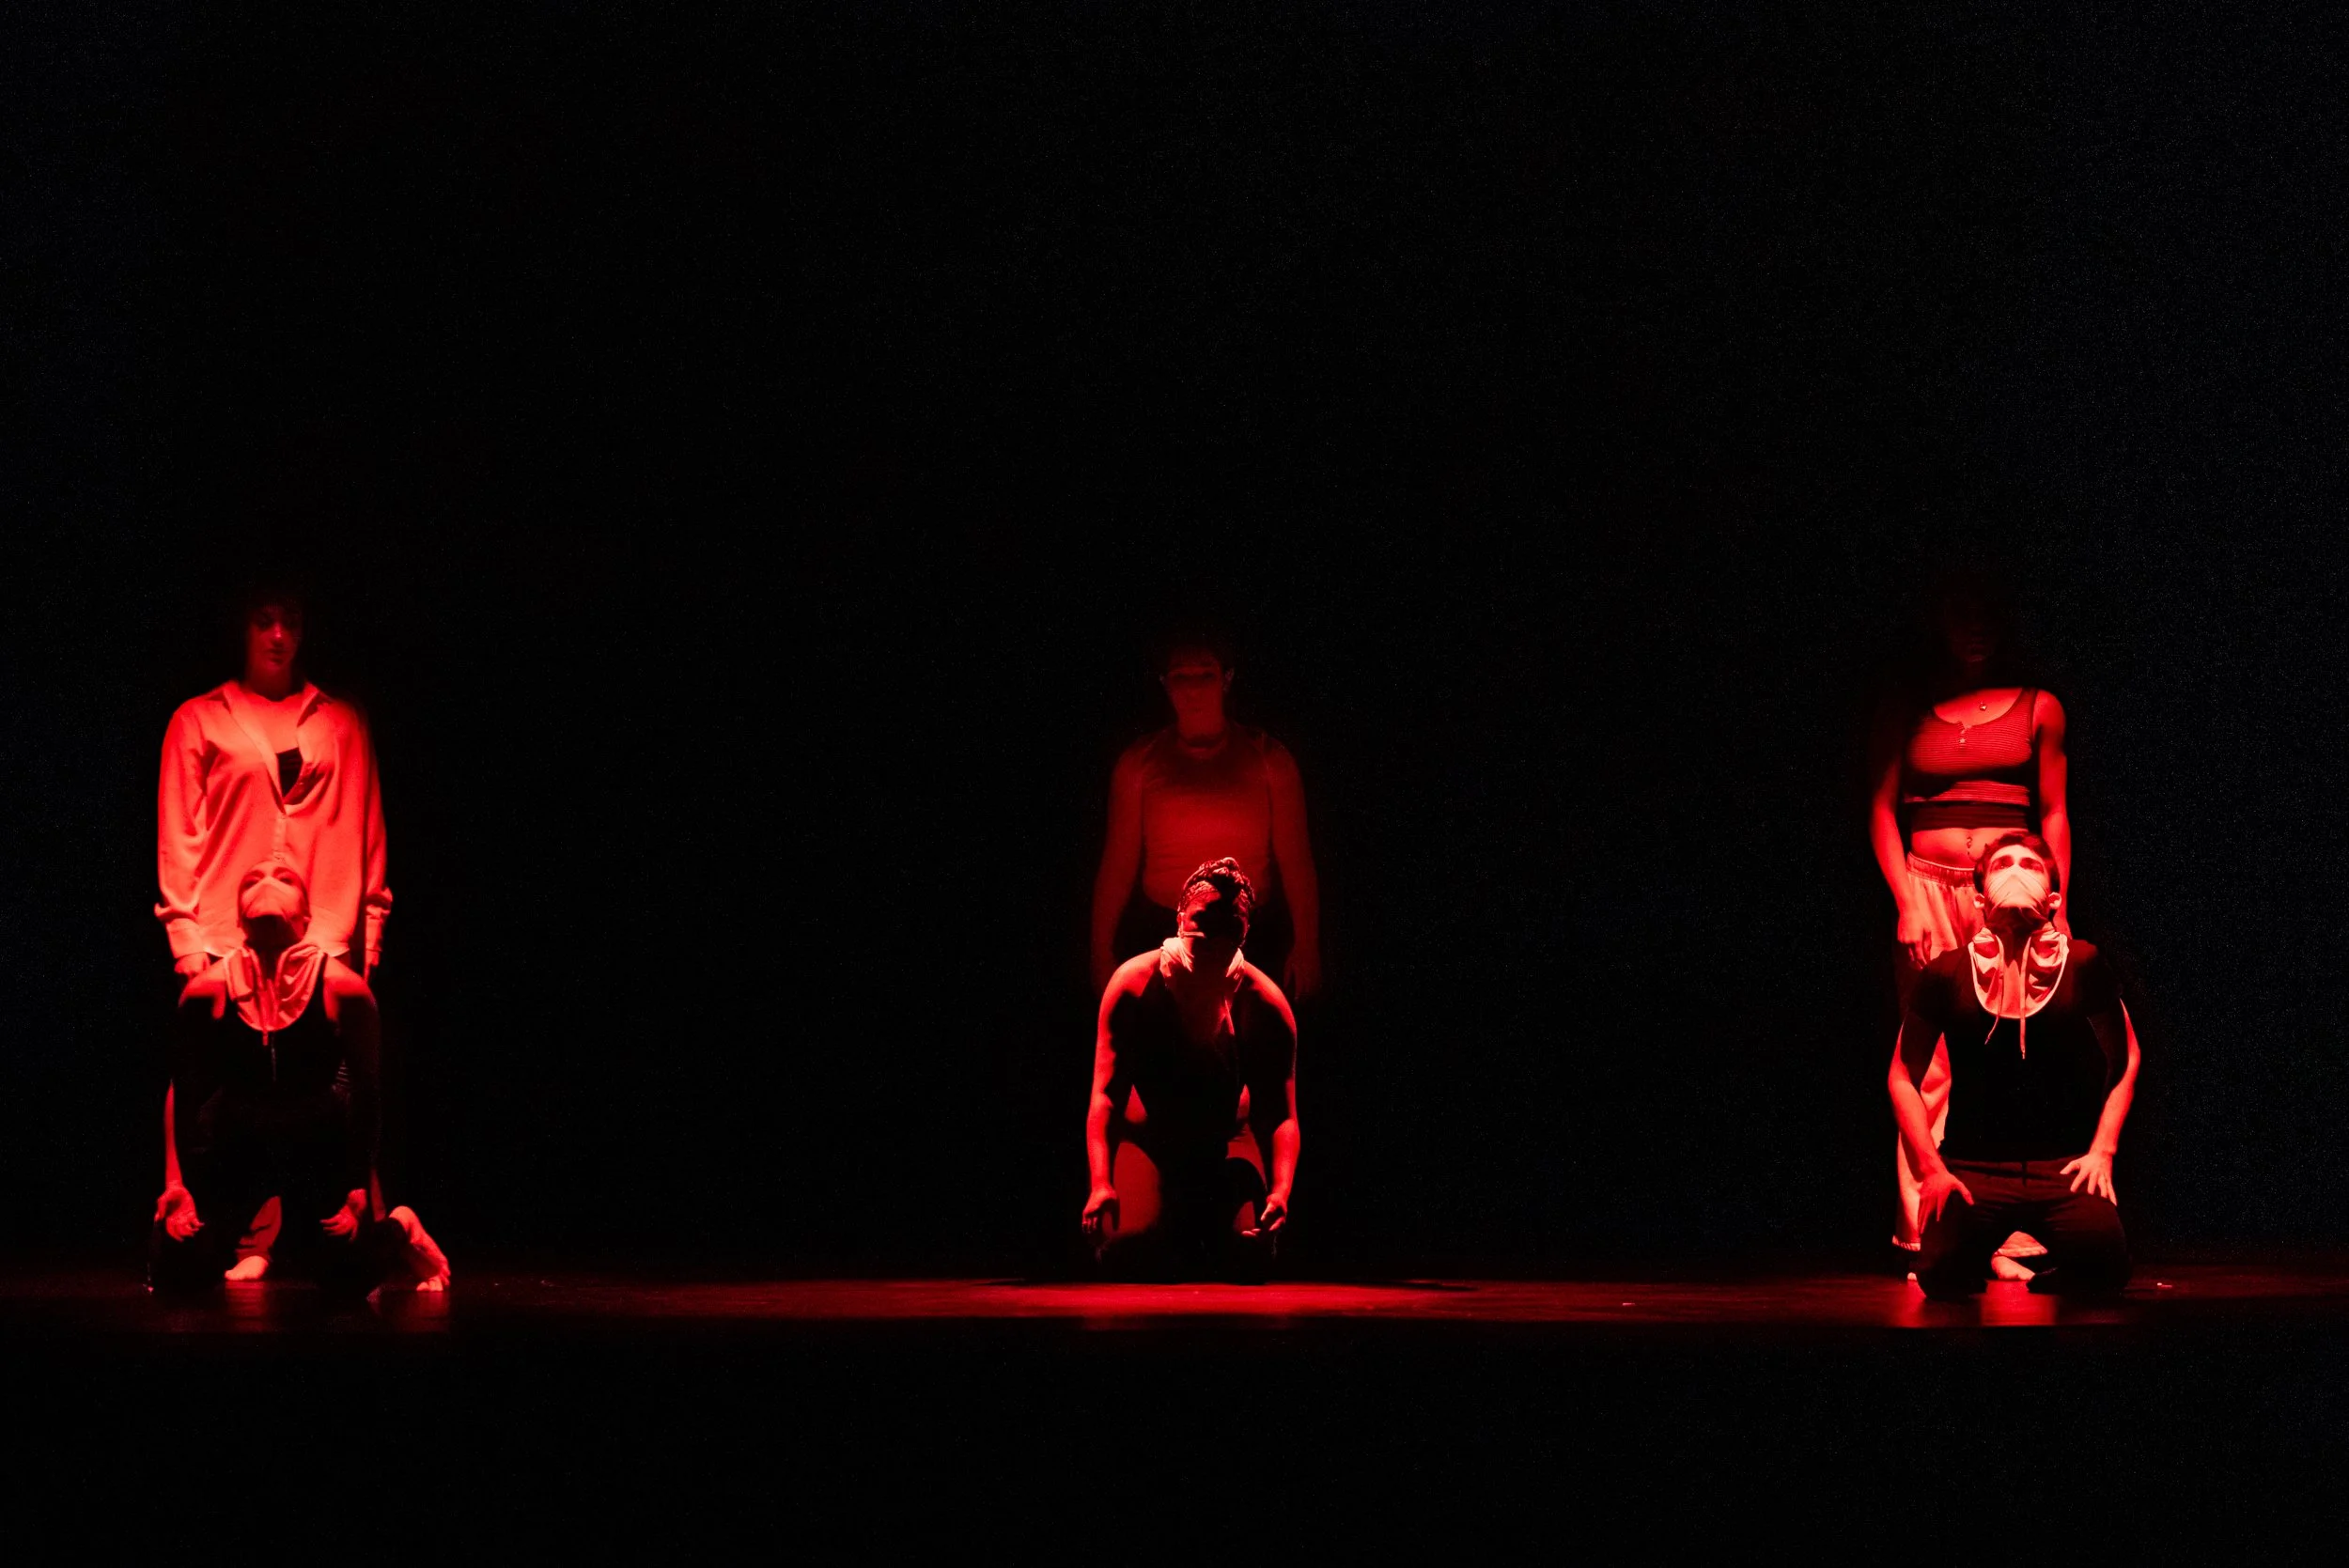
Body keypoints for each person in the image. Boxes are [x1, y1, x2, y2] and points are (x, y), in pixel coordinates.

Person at [153, 586, 443, 1284]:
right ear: (242, 625)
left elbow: (368, 823)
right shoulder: (200, 719)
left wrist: (370, 923)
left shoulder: (342, 720)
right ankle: (248, 1221)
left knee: (336, 1083)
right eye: (264, 620)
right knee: (225, 1082)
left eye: (291, 621)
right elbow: (178, 831)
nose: (279, 634)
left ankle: (373, 1222)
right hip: (232, 921)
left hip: (325, 921)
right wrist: (186, 933)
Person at [1870, 577, 2074, 1258]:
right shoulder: (1906, 705)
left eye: (1989, 611)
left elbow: (2052, 812)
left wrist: (2056, 906)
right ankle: (1925, 1229)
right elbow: (1881, 808)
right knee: (1927, 1063)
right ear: (1940, 619)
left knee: (2010, 1052)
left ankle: (2011, 1228)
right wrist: (1905, 900)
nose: (1976, 627)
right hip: (1928, 888)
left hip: (2011, 896)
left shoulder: (2040, 706)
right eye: (1963, 611)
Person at [1889, 833, 2139, 1299]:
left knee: (2106, 1268)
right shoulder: (1946, 973)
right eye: (2003, 864)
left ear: (2053, 899)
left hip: (2062, 1166)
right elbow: (1902, 1074)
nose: (2016, 871)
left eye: (2030, 865)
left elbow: (2126, 1057)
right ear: (1980, 898)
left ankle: (2048, 1277)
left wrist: (2102, 1149)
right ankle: (1980, 1255)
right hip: (1971, 1167)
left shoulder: (2083, 963)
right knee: (1940, 1276)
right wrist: (1932, 1169)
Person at [151, 860, 411, 1297]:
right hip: (238, 1141)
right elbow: (184, 1088)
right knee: (178, 1271)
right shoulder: (206, 991)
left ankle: (404, 1226)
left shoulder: (344, 990)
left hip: (314, 1141)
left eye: (284, 878)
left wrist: (358, 1186)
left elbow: (367, 1094)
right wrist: (177, 1185)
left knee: (348, 1274)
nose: (267, 883)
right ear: (237, 918)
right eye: (251, 880)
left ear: (307, 916)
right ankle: (244, 1243)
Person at [1082, 859, 1299, 1280]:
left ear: (1246, 931)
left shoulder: (1265, 1004)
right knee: (1127, 1250)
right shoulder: (1133, 985)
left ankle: (1201, 1229)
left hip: (1226, 1142)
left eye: (1229, 924)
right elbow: (1105, 1094)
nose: (1214, 935)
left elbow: (1282, 1114)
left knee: (1246, 1255)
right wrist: (1100, 1182)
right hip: (1148, 1140)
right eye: (1203, 919)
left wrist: (1281, 1190)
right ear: (1179, 917)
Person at [1091, 635, 1321, 1007]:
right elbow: (1117, 864)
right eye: (1182, 677)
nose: (1194, 689)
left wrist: (1307, 945)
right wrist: (1100, 952)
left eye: (1205, 676)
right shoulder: (1139, 764)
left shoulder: (1269, 760)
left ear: (1226, 679)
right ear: (1165, 683)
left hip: (1251, 936)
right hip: (1160, 932)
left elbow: (1296, 861)